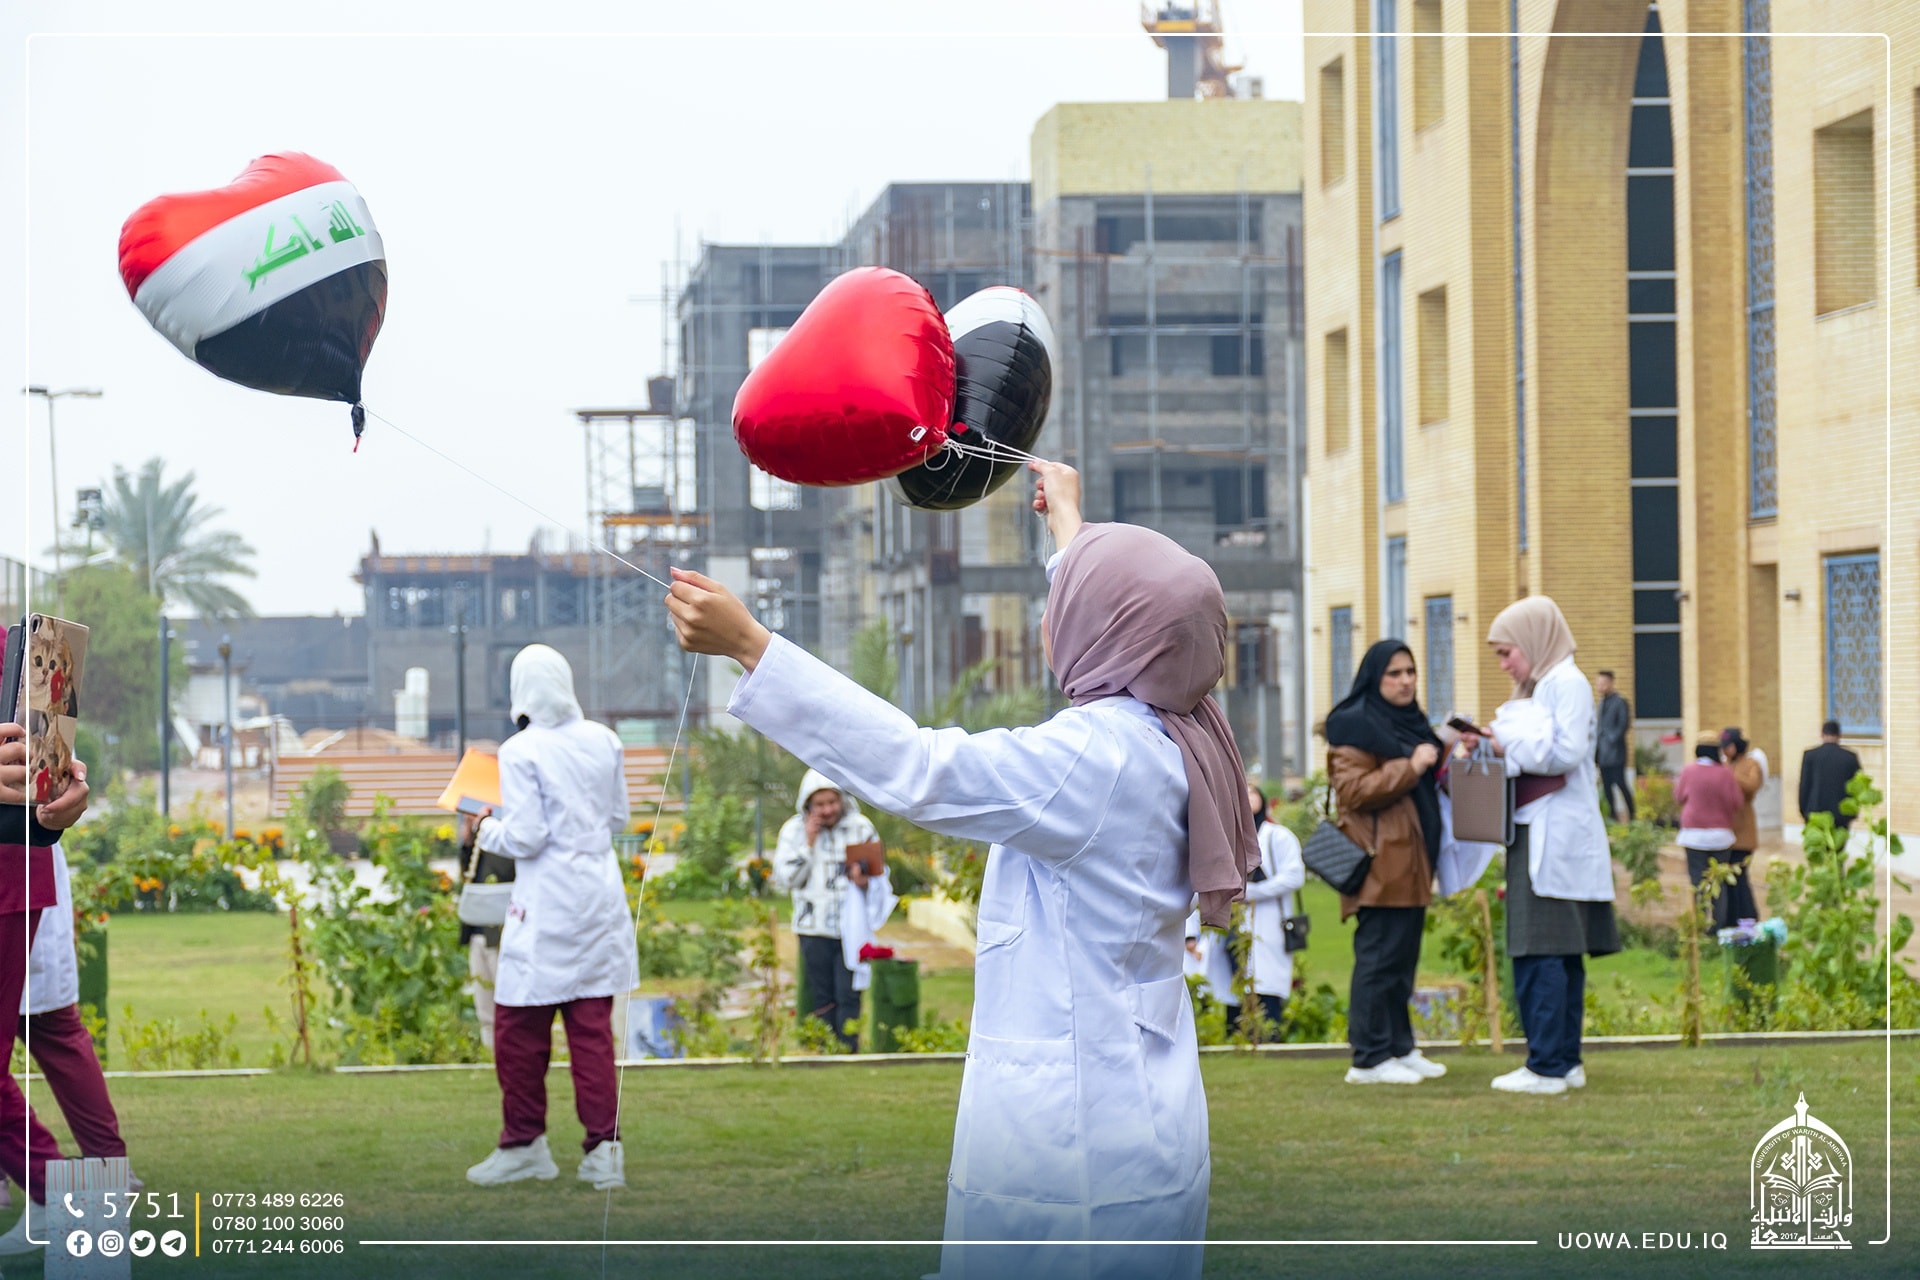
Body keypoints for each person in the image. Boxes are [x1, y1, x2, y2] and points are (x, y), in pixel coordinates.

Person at [666, 459, 1256, 1280]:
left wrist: (752, 648)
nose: (1052, 618)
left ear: (1105, 630)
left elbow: (920, 769)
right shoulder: (1177, 723)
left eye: (1065, 603)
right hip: (1144, 1100)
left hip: (1073, 1130)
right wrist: (1067, 523)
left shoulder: (1096, 755)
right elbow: (1142, 608)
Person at [465, 647, 638, 1192]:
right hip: (599, 898)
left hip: (546, 904)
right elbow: (619, 816)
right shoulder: (605, 740)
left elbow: (527, 837)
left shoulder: (521, 750)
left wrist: (483, 827)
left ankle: (524, 1144)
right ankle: (604, 1151)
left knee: (518, 1028)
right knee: (592, 1032)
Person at [1480, 598, 1619, 1097]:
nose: (1504, 665)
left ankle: (1547, 1066)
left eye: (1507, 653)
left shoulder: (1566, 683)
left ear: (1534, 642)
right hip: (1541, 831)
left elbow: (1566, 751)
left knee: (1541, 950)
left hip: (1553, 836)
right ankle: (1562, 1060)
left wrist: (1504, 747)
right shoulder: (1546, 686)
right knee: (1556, 952)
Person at [1325, 642, 1449, 1086]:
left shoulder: (1411, 724)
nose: (1405, 681)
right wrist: (1411, 767)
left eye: (1411, 671)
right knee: (1378, 961)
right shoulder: (1354, 725)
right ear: (1374, 678)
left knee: (1401, 962)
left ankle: (1399, 1047)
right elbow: (1353, 791)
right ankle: (1369, 1057)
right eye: (1394, 673)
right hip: (1379, 864)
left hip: (1412, 862)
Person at [0, 722, 90, 1240]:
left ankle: (74, 1203)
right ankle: (75, 1202)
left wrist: (61, 792)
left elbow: (46, 771)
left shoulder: (21, 666)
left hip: (12, 871)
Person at [772, 770, 880, 1051]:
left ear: (841, 799)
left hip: (852, 928)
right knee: (821, 994)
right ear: (808, 805)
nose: (827, 810)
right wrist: (808, 843)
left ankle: (849, 1050)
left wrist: (864, 881)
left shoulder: (860, 828)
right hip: (813, 928)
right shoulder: (793, 831)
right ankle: (824, 1051)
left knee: (849, 992)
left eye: (832, 802)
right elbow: (786, 879)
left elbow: (879, 878)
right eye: (820, 804)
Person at [1244, 782, 1305, 1032]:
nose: (1247, 796)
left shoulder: (1277, 836)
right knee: (1236, 987)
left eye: (1252, 792)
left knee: (1267, 984)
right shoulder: (1228, 836)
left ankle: (1270, 1036)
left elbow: (1294, 876)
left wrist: (1253, 893)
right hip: (1237, 924)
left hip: (1270, 921)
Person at [1675, 735, 1749, 931]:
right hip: (1720, 837)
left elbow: (1679, 796)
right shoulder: (1725, 773)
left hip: (1693, 836)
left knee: (1697, 882)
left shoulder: (1688, 771)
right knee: (1719, 884)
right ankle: (1717, 928)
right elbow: (1737, 802)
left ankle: (1699, 925)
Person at [456, 823, 516, 1051]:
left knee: (506, 1004)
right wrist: (469, 841)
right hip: (476, 933)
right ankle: (489, 1053)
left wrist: (486, 829)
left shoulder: (503, 837)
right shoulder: (477, 842)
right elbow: (467, 875)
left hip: (498, 935)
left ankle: (508, 1053)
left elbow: (502, 871)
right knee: (484, 1004)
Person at [1718, 727, 1765, 925]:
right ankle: (1730, 919)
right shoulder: (1724, 765)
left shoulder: (1751, 764)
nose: (1725, 751)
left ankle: (1748, 916)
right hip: (1726, 830)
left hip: (1744, 831)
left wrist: (1730, 775)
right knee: (1727, 879)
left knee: (1740, 877)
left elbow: (1753, 785)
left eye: (1728, 746)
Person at [1798, 720, 1861, 835]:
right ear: (1840, 735)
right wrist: (1852, 814)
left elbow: (1804, 786)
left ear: (1822, 734)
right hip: (1841, 816)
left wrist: (1804, 812)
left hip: (1816, 814)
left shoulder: (1810, 756)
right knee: (1837, 846)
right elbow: (1857, 788)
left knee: (1819, 845)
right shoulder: (1850, 758)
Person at [1593, 670, 1634, 821]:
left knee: (1621, 783)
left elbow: (1623, 725)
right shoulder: (1601, 703)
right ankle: (1612, 815)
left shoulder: (1620, 702)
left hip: (1616, 753)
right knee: (1606, 786)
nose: (1600, 687)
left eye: (1603, 684)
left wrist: (1611, 739)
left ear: (1611, 683)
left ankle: (1632, 814)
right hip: (1602, 754)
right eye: (1598, 684)